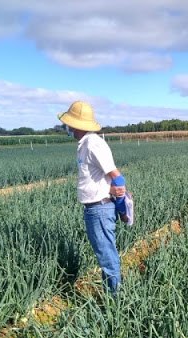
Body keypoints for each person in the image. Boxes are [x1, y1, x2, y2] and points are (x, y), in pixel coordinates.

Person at [57, 100, 126, 292]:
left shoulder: (94, 144)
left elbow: (117, 177)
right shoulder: (85, 144)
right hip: (95, 208)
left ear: (76, 124)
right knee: (104, 253)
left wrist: (121, 203)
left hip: (100, 209)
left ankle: (115, 300)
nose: (67, 127)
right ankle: (113, 293)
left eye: (68, 123)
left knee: (106, 255)